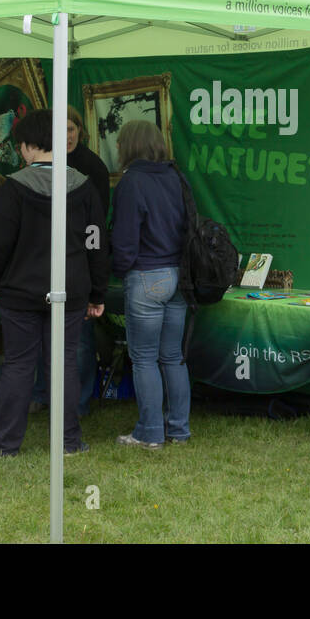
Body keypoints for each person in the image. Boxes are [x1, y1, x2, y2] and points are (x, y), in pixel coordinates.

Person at [0, 108, 108, 457]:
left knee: (19, 364)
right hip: (70, 291)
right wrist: (98, 291)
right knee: (63, 362)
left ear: (25, 147)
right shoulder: (84, 187)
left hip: (20, 293)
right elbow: (96, 242)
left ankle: (4, 445)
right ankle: (68, 442)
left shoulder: (13, 189)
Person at [109, 119, 188, 450]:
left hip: (146, 277)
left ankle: (150, 433)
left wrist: (117, 270)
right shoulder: (176, 177)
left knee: (143, 359)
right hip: (179, 278)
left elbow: (125, 240)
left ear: (129, 146)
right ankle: (179, 431)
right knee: (172, 357)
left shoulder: (131, 182)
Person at [30, 106, 111, 416]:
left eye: (71, 129)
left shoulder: (94, 168)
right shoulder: (43, 165)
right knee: (42, 331)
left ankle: (77, 404)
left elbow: (97, 224)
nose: (66, 136)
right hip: (43, 260)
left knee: (80, 337)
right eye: (60, 130)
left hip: (79, 259)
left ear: (80, 130)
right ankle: (43, 394)